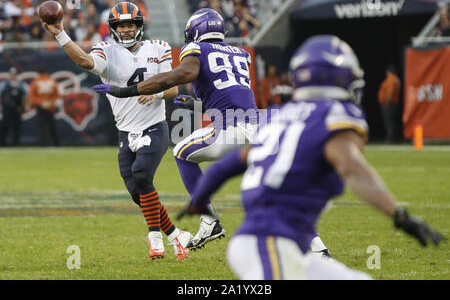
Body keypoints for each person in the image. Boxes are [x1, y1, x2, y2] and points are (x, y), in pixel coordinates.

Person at [177, 35, 445, 279]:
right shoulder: (327, 117)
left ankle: (317, 249)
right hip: (268, 242)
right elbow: (353, 170)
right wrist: (400, 216)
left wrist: (197, 203)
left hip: (283, 245)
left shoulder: (282, 117)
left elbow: (221, 169)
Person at [92, 8, 259, 251]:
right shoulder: (242, 54)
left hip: (229, 129)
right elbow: (232, 97)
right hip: (258, 125)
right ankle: (317, 246)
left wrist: (128, 91)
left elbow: (181, 75)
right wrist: (198, 105)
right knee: (279, 186)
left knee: (181, 151)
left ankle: (209, 219)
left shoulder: (196, 49)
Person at [41, 1, 192, 260]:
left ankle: (155, 239)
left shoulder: (160, 48)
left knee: (142, 175)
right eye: (121, 25)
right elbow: (86, 61)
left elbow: (174, 89)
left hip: (154, 127)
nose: (126, 30)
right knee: (138, 193)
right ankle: (177, 236)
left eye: (131, 24)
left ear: (139, 26)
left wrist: (155, 95)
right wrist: (61, 34)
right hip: (125, 131)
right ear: (113, 28)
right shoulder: (106, 50)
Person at [28, 67, 61, 146]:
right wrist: (50, 102)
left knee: (41, 126)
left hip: (41, 107)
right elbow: (57, 94)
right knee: (52, 126)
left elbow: (32, 96)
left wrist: (41, 103)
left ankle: (43, 144)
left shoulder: (35, 82)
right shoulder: (52, 81)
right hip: (50, 107)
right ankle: (57, 143)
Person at [0, 67, 27, 146]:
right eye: (11, 74)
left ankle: (16, 143)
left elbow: (25, 97)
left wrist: (24, 106)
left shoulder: (21, 84)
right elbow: (0, 95)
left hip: (17, 108)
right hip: (7, 108)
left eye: (14, 74)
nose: (13, 76)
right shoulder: (4, 83)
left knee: (17, 126)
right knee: (4, 126)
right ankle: (2, 142)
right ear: (9, 75)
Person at [378, 64, 401, 143]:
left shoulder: (392, 80)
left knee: (389, 122)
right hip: (392, 104)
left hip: (389, 104)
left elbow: (390, 93)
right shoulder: (395, 79)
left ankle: (391, 139)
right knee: (392, 122)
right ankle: (394, 138)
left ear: (389, 72)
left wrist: (387, 102)